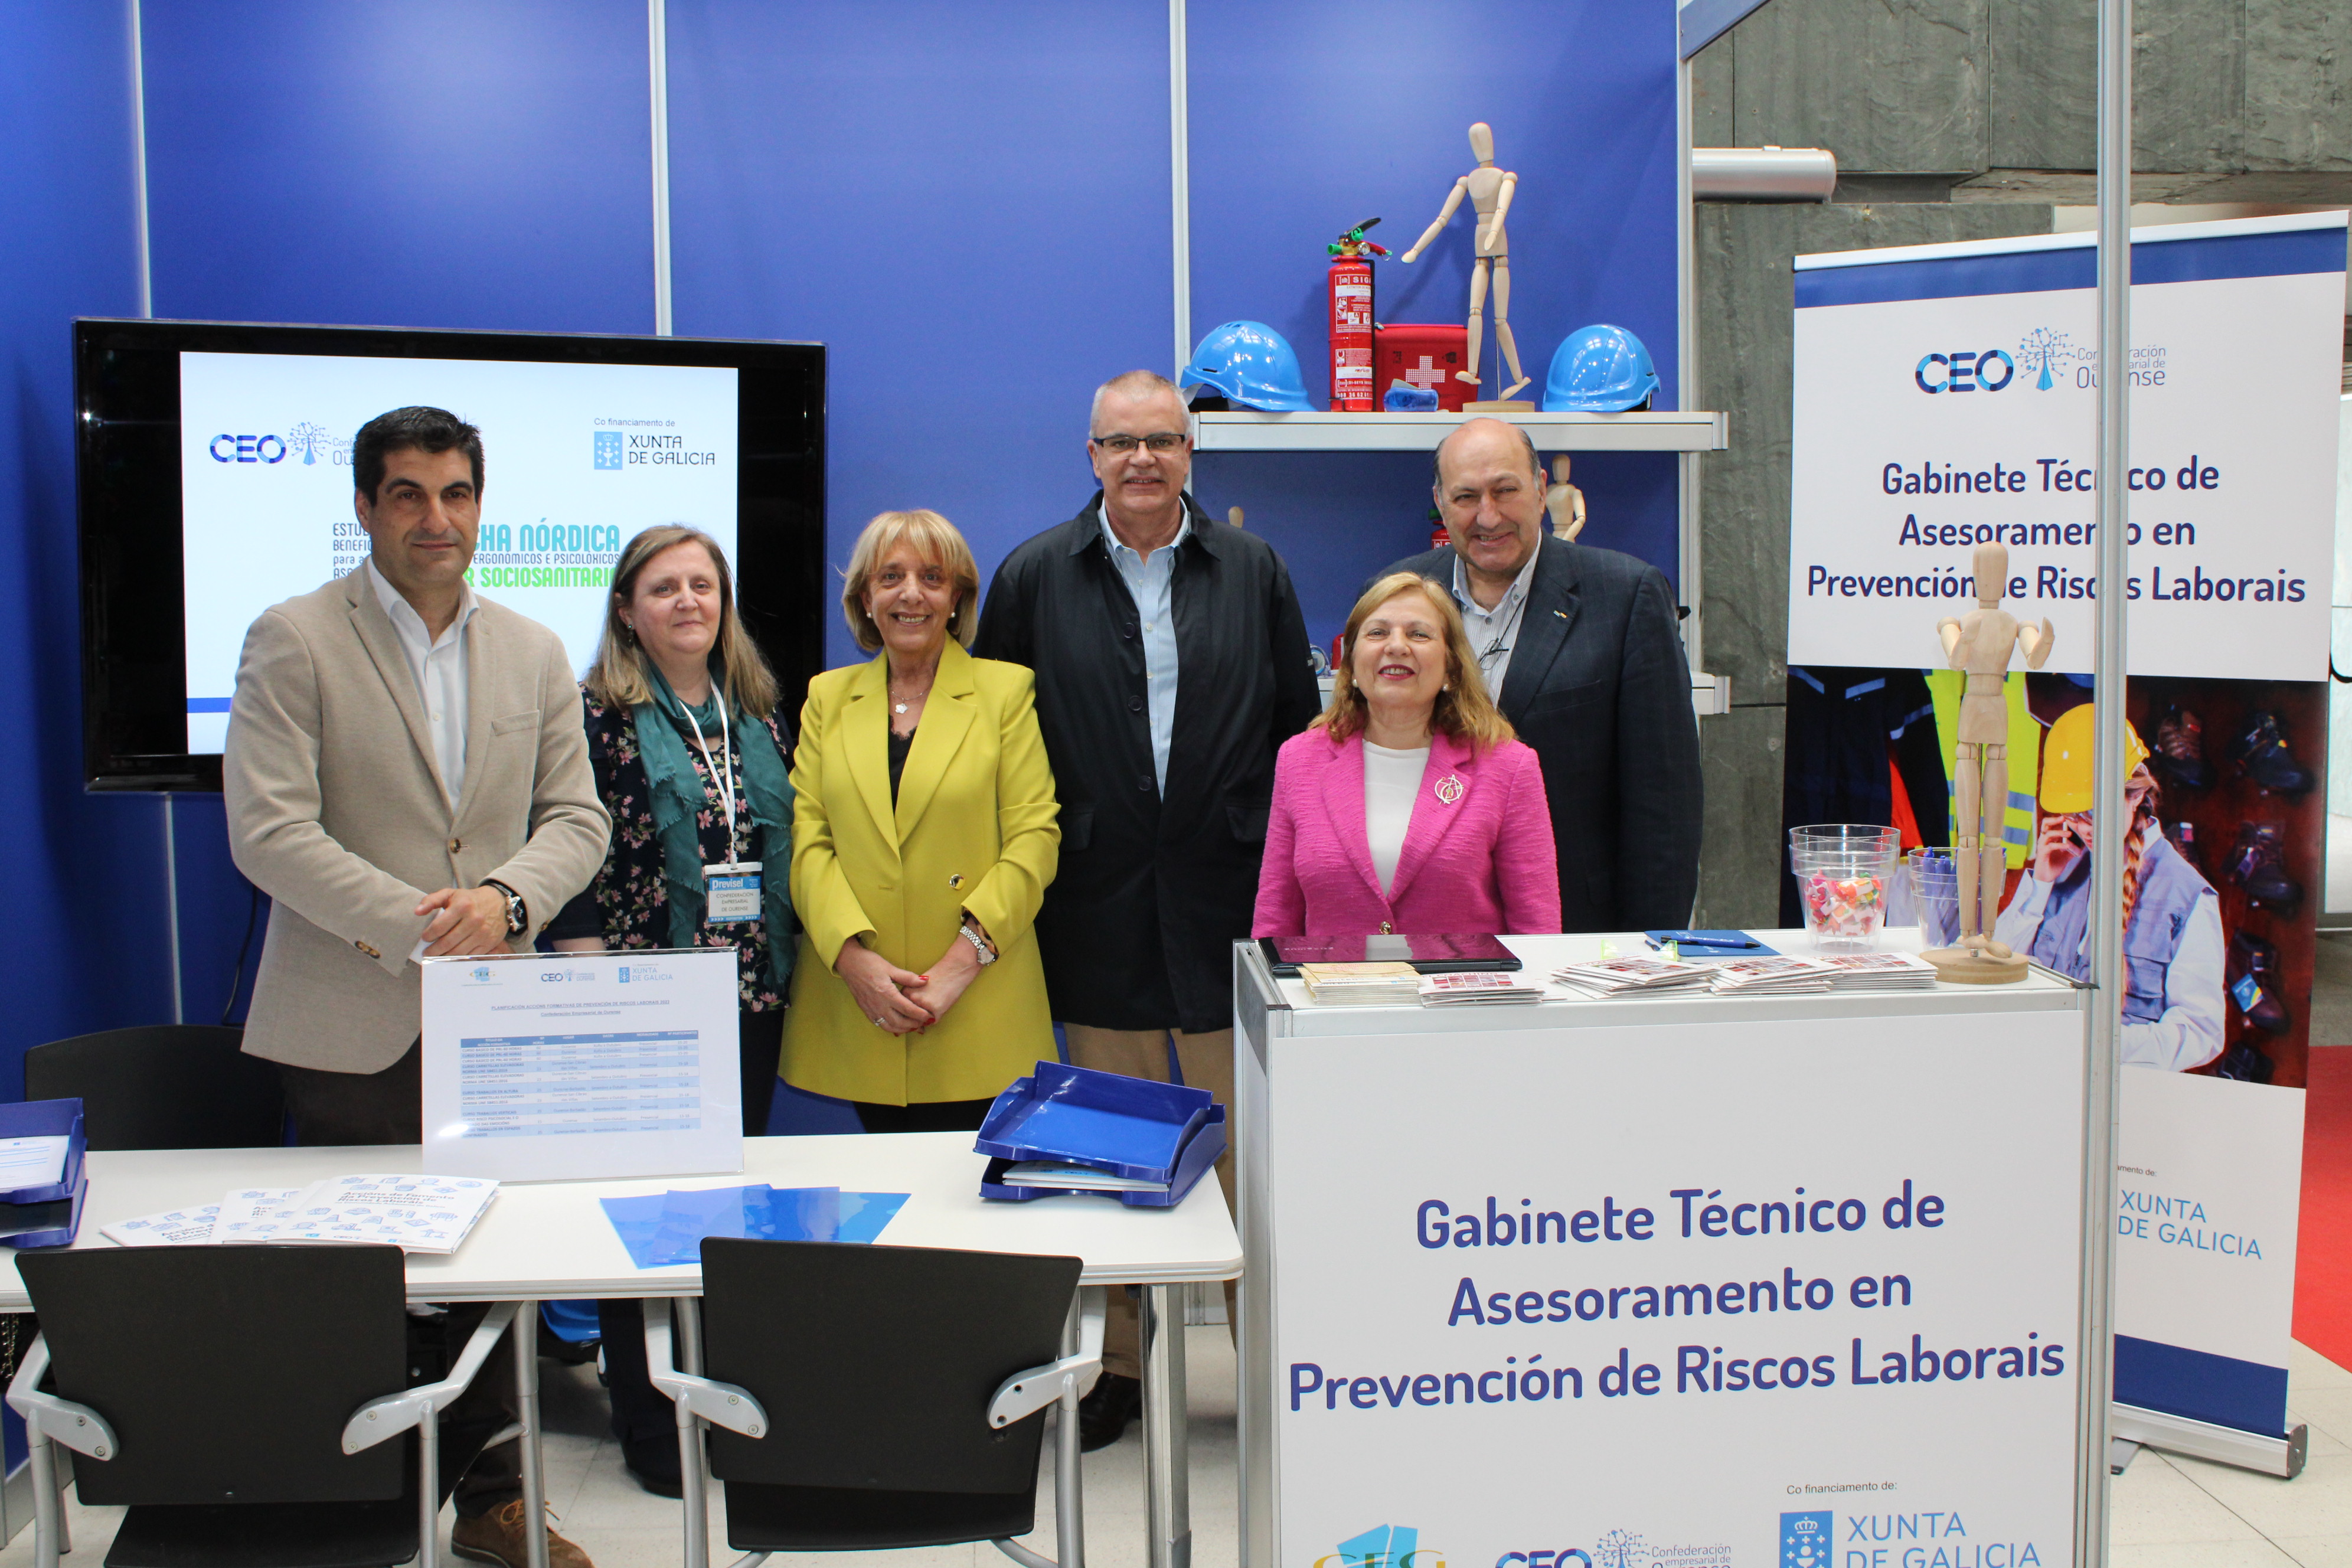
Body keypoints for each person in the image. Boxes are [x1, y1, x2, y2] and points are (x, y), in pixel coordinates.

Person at [224, 405, 609, 1568]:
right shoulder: (293, 637)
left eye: (455, 493)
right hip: (353, 1016)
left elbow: (578, 818)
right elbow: (268, 831)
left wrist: (506, 903)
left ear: (480, 506)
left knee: (499, 1258)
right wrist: (427, 925)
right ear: (365, 507)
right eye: (407, 494)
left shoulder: (533, 648)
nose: (434, 518)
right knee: (368, 1273)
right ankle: (359, 1497)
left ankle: (495, 1498)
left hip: (497, 1019)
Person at [972, 369, 1320, 1448]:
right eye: (1120, 442)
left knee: (1248, 1152)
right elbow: (994, 742)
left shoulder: (1253, 570)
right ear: (1090, 456)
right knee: (1108, 1151)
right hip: (1094, 903)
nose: (1141, 459)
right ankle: (1115, 1367)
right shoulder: (1034, 575)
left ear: (1188, 452)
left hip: (1229, 899)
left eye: (1161, 440)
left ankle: (1269, 1361)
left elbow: (1298, 729)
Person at [544, 524, 796, 1498]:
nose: (688, 601)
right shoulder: (593, 716)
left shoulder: (758, 713)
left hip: (748, 992)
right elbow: (562, 839)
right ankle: (646, 1411)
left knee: (722, 1208)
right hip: (641, 998)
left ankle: (716, 1392)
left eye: (702, 584)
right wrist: (586, 964)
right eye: (664, 587)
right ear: (626, 609)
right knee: (646, 1211)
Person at [783, 509, 1060, 1129]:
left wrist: (961, 964)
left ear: (957, 597)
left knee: (974, 1191)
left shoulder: (1005, 692)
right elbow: (808, 843)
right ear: (865, 597)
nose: (911, 594)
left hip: (979, 1000)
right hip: (862, 1006)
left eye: (932, 578)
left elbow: (1035, 839)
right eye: (891, 577)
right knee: (883, 1189)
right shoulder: (827, 698)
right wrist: (852, 961)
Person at [1383, 416, 1700, 932]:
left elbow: (1664, 805)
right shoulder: (1396, 596)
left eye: (1505, 490)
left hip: (1578, 934)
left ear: (1539, 489)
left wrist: (1651, 947)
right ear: (1440, 502)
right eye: (1466, 497)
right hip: (1424, 932)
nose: (1488, 516)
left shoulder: (1626, 596)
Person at [1255, 572, 1560, 937]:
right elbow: (1275, 918)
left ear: (1451, 666)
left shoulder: (1508, 766)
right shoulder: (1299, 760)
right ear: (1351, 664)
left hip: (1464, 978)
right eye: (1377, 633)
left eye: (1419, 634)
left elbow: (1537, 929)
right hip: (1335, 977)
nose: (1397, 646)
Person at [1994, 708, 2224, 1071]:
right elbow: (1996, 971)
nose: (2084, 827)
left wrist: (2095, 1044)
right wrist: (2040, 885)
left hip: (2120, 1088)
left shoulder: (2189, 896)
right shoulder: (2063, 866)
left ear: (2136, 794)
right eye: (2073, 813)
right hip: (2036, 1070)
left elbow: (2200, 1033)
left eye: (2093, 811)